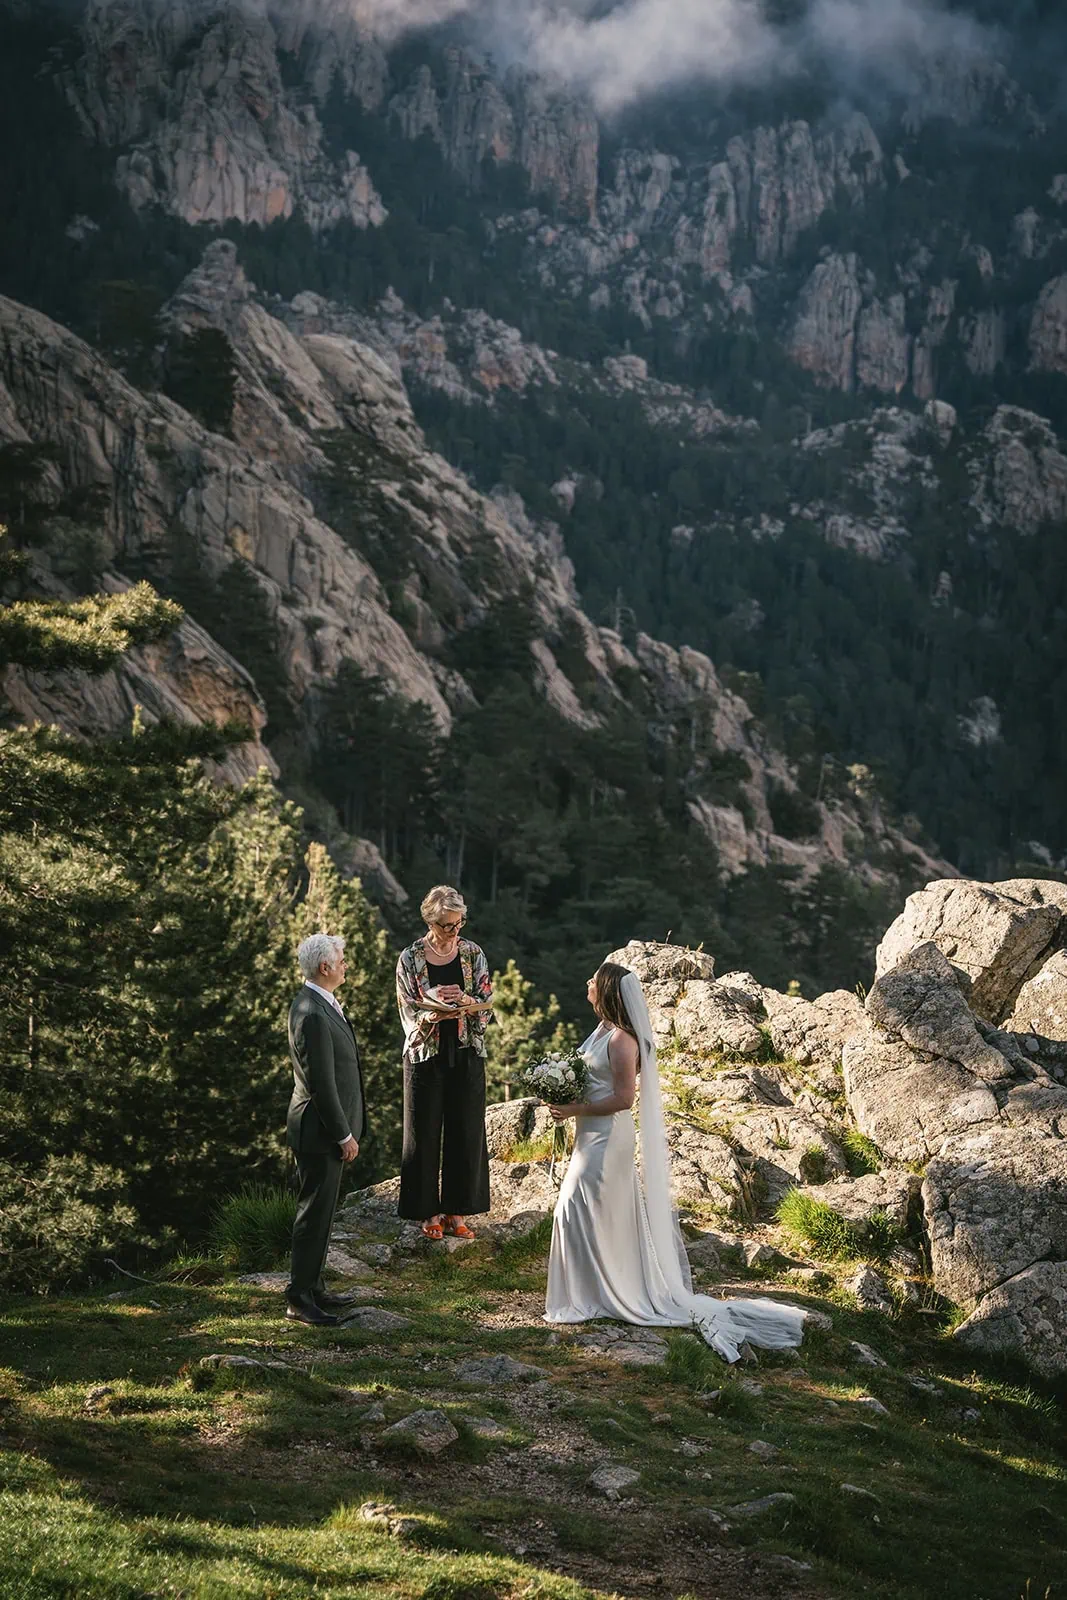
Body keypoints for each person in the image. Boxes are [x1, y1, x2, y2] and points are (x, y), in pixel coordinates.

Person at [544, 961, 807, 1362]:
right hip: (588, 1137)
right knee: (589, 1212)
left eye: (594, 980)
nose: (587, 982)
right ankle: (591, 1293)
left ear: (609, 990)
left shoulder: (621, 1041)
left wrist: (574, 1108)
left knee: (574, 1209)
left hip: (606, 1138)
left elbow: (624, 1099)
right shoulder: (601, 1031)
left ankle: (600, 1295)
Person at [395, 885, 493, 1240]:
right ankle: (427, 1212)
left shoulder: (472, 953)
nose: (456, 930)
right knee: (423, 1132)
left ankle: (457, 1210)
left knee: (466, 1129)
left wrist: (465, 1000)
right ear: (431, 921)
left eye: (459, 922)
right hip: (425, 1054)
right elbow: (407, 1009)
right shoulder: (410, 957)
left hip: (466, 1049)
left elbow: (486, 1001)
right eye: (448, 924)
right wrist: (432, 1012)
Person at [285, 933, 365, 1327]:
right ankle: (299, 1299)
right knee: (312, 1214)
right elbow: (320, 1082)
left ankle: (314, 1287)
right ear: (325, 967)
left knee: (323, 1213)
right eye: (342, 959)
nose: (346, 964)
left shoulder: (321, 1003)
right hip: (319, 1131)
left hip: (325, 1130)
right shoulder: (311, 1012)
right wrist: (343, 1134)